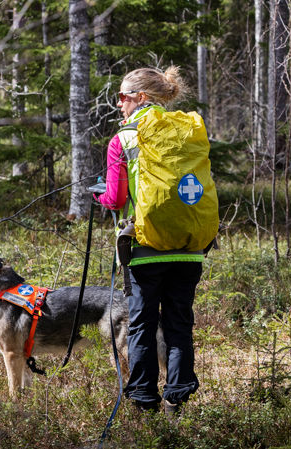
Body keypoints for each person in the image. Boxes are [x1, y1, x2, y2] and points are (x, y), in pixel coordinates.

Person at [95, 66, 204, 414]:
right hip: (189, 247)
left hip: (145, 247)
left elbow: (114, 199)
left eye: (123, 97)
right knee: (179, 322)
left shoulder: (123, 138)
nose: (119, 105)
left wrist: (99, 195)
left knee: (142, 323)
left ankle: (144, 401)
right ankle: (177, 398)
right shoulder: (188, 131)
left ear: (141, 98)